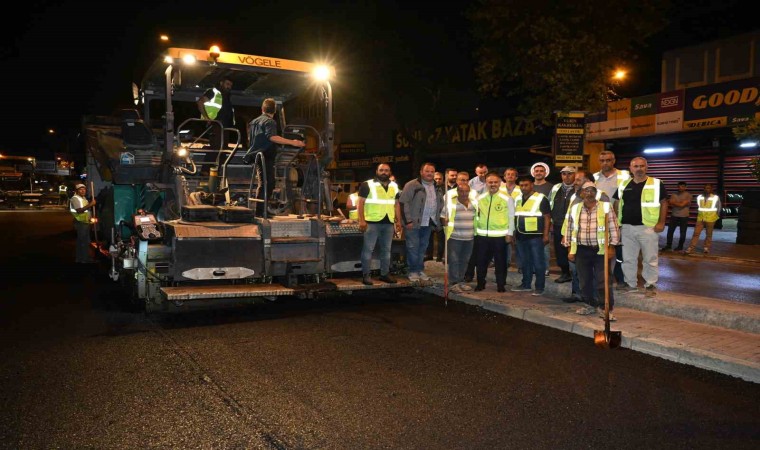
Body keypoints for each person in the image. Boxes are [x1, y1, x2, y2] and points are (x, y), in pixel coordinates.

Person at [613, 156, 668, 297]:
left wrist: (661, 222)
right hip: (626, 227)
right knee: (628, 258)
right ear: (630, 169)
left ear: (646, 167)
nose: (639, 169)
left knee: (650, 258)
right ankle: (630, 284)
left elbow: (664, 203)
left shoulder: (656, 184)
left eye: (642, 166)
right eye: (636, 166)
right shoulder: (624, 184)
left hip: (648, 228)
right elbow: (617, 203)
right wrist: (616, 224)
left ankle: (650, 285)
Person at [565, 181, 620, 320]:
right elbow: (570, 229)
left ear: (596, 193)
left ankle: (605, 308)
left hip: (601, 251)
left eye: (592, 190)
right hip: (582, 251)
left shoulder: (606, 207)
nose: (589, 193)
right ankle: (589, 305)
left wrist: (612, 246)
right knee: (584, 281)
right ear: (581, 193)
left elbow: (614, 227)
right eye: (586, 191)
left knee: (603, 281)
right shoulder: (575, 208)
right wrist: (571, 249)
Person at [244, 98, 305, 204]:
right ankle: (261, 212)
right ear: (275, 111)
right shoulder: (270, 121)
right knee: (268, 184)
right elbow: (272, 137)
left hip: (256, 155)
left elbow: (250, 138)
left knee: (265, 183)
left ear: (262, 109)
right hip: (265, 155)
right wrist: (293, 142)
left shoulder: (254, 122)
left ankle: (262, 211)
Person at [357, 163, 402, 285]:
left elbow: (396, 204)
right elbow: (360, 203)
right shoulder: (368, 184)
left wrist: (398, 221)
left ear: (390, 172)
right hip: (371, 222)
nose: (384, 172)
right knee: (368, 250)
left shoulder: (394, 185)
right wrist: (361, 220)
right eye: (381, 170)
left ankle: (384, 274)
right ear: (376, 171)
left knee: (386, 250)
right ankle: (366, 275)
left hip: (388, 222)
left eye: (386, 170)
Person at [400, 162, 443, 281]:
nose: (430, 173)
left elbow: (440, 204)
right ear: (421, 172)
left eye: (432, 171)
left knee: (422, 248)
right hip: (413, 223)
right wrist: (408, 221)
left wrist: (438, 220)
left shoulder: (437, 187)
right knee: (413, 247)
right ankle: (413, 271)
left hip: (428, 223)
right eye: (427, 171)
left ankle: (420, 270)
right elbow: (403, 203)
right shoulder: (412, 185)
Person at [593, 150, 631, 290]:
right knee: (601, 251)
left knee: (621, 252)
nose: (605, 163)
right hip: (599, 220)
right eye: (602, 161)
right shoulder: (595, 177)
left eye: (608, 160)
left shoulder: (625, 175)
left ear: (614, 161)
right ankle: (604, 279)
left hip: (620, 219)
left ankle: (620, 278)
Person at [473, 172, 514, 292]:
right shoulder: (479, 198)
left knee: (500, 263)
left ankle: (501, 285)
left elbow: (511, 216)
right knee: (481, 262)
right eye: (490, 182)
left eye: (495, 182)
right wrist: (476, 232)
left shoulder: (507, 199)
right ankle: (480, 283)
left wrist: (509, 233)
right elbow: (476, 216)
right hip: (482, 236)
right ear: (486, 183)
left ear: (500, 183)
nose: (493, 184)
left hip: (500, 236)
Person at [511, 175, 551, 296]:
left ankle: (539, 287)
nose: (523, 187)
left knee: (538, 262)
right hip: (521, 236)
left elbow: (547, 217)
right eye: (521, 185)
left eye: (526, 185)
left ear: (532, 185)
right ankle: (526, 284)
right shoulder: (517, 198)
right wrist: (513, 233)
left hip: (535, 236)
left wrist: (545, 235)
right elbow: (515, 217)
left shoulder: (541, 198)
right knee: (525, 262)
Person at [440, 171, 476, 292]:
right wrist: (444, 221)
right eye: (461, 191)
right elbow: (442, 216)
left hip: (469, 237)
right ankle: (453, 282)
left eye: (466, 191)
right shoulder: (451, 202)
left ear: (469, 192)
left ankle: (461, 281)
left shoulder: (474, 203)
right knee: (454, 261)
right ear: (457, 191)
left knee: (465, 260)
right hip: (455, 236)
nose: (464, 193)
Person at [549, 166, 576, 284]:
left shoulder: (578, 188)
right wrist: (550, 221)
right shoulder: (556, 188)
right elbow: (550, 204)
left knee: (574, 250)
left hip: (574, 225)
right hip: (558, 224)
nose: (567, 176)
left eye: (570, 174)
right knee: (560, 250)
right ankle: (565, 273)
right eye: (564, 174)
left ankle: (576, 274)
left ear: (575, 175)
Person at [464, 163, 489, 282]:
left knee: (483, 254)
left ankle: (481, 278)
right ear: (476, 172)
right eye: (480, 172)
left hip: (488, 225)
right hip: (474, 224)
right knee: (473, 252)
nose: (483, 175)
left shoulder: (492, 182)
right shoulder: (472, 184)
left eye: (484, 172)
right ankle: (469, 274)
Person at [196, 77, 235, 151]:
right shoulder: (213, 92)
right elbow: (200, 102)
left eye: (230, 85)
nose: (229, 87)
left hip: (225, 127)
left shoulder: (227, 96)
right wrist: (206, 117)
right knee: (216, 149)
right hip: (215, 125)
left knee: (223, 150)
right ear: (221, 83)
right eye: (227, 84)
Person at [530, 162, 553, 276]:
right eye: (537, 171)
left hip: (545, 221)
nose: (538, 173)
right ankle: (534, 267)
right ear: (533, 173)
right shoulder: (529, 186)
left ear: (545, 173)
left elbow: (552, 205)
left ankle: (545, 268)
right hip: (530, 222)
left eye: (541, 171)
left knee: (544, 245)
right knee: (532, 246)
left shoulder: (551, 187)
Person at [685, 184, 721, 255]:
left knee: (709, 234)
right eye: (705, 188)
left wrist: (716, 216)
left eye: (708, 188)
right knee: (696, 233)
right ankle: (691, 248)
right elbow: (699, 207)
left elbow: (719, 208)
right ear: (703, 189)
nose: (707, 189)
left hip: (711, 218)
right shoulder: (699, 197)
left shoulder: (715, 197)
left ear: (711, 189)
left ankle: (706, 248)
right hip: (700, 218)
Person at [69, 183, 96, 264]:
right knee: (84, 242)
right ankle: (84, 259)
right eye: (80, 189)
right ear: (77, 191)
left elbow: (86, 211)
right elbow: (79, 210)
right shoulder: (75, 198)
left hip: (85, 222)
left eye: (84, 189)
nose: (83, 190)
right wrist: (90, 204)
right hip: (80, 222)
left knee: (82, 241)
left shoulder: (83, 198)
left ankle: (80, 258)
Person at [662, 181, 692, 251]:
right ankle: (668, 245)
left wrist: (674, 202)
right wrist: (679, 203)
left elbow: (681, 205)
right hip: (674, 215)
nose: (680, 188)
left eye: (682, 186)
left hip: (684, 216)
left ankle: (680, 246)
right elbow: (671, 203)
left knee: (683, 232)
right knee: (670, 231)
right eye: (679, 186)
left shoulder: (688, 195)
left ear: (685, 187)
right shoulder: (674, 194)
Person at [426, 171, 446, 262]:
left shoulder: (445, 190)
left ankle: (439, 257)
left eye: (439, 179)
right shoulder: (428, 189)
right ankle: (429, 255)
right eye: (436, 178)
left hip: (440, 216)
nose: (437, 180)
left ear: (443, 180)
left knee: (441, 239)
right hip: (430, 216)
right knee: (429, 238)